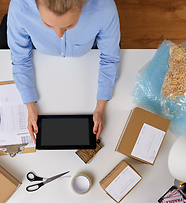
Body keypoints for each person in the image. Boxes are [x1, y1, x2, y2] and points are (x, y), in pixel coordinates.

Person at [6, 0, 120, 143]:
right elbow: (20, 58)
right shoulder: (20, 6)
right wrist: (30, 106)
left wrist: (100, 108)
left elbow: (110, 58)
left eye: (69, 25)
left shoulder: (104, 7)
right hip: (43, 65)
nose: (59, 34)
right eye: (48, 24)